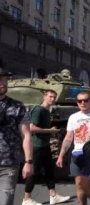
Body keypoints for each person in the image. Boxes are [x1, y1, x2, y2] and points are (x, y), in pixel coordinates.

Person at [22, 90, 70, 205]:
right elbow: (32, 128)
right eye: (50, 96)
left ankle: (53, 195)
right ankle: (26, 199)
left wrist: (50, 129)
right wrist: (50, 130)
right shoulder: (38, 110)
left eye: (54, 97)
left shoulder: (47, 111)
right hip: (37, 146)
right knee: (34, 172)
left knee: (49, 170)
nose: (52, 99)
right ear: (44, 96)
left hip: (44, 145)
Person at [56, 91, 90, 205]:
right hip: (77, 154)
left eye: (85, 100)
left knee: (85, 183)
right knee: (79, 184)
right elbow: (68, 137)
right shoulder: (73, 117)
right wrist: (61, 155)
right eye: (79, 101)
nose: (82, 103)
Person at [0, 67, 33, 205]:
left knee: (5, 202)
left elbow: (26, 135)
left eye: (4, 79)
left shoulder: (17, 106)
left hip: (8, 165)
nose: (2, 82)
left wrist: (28, 162)